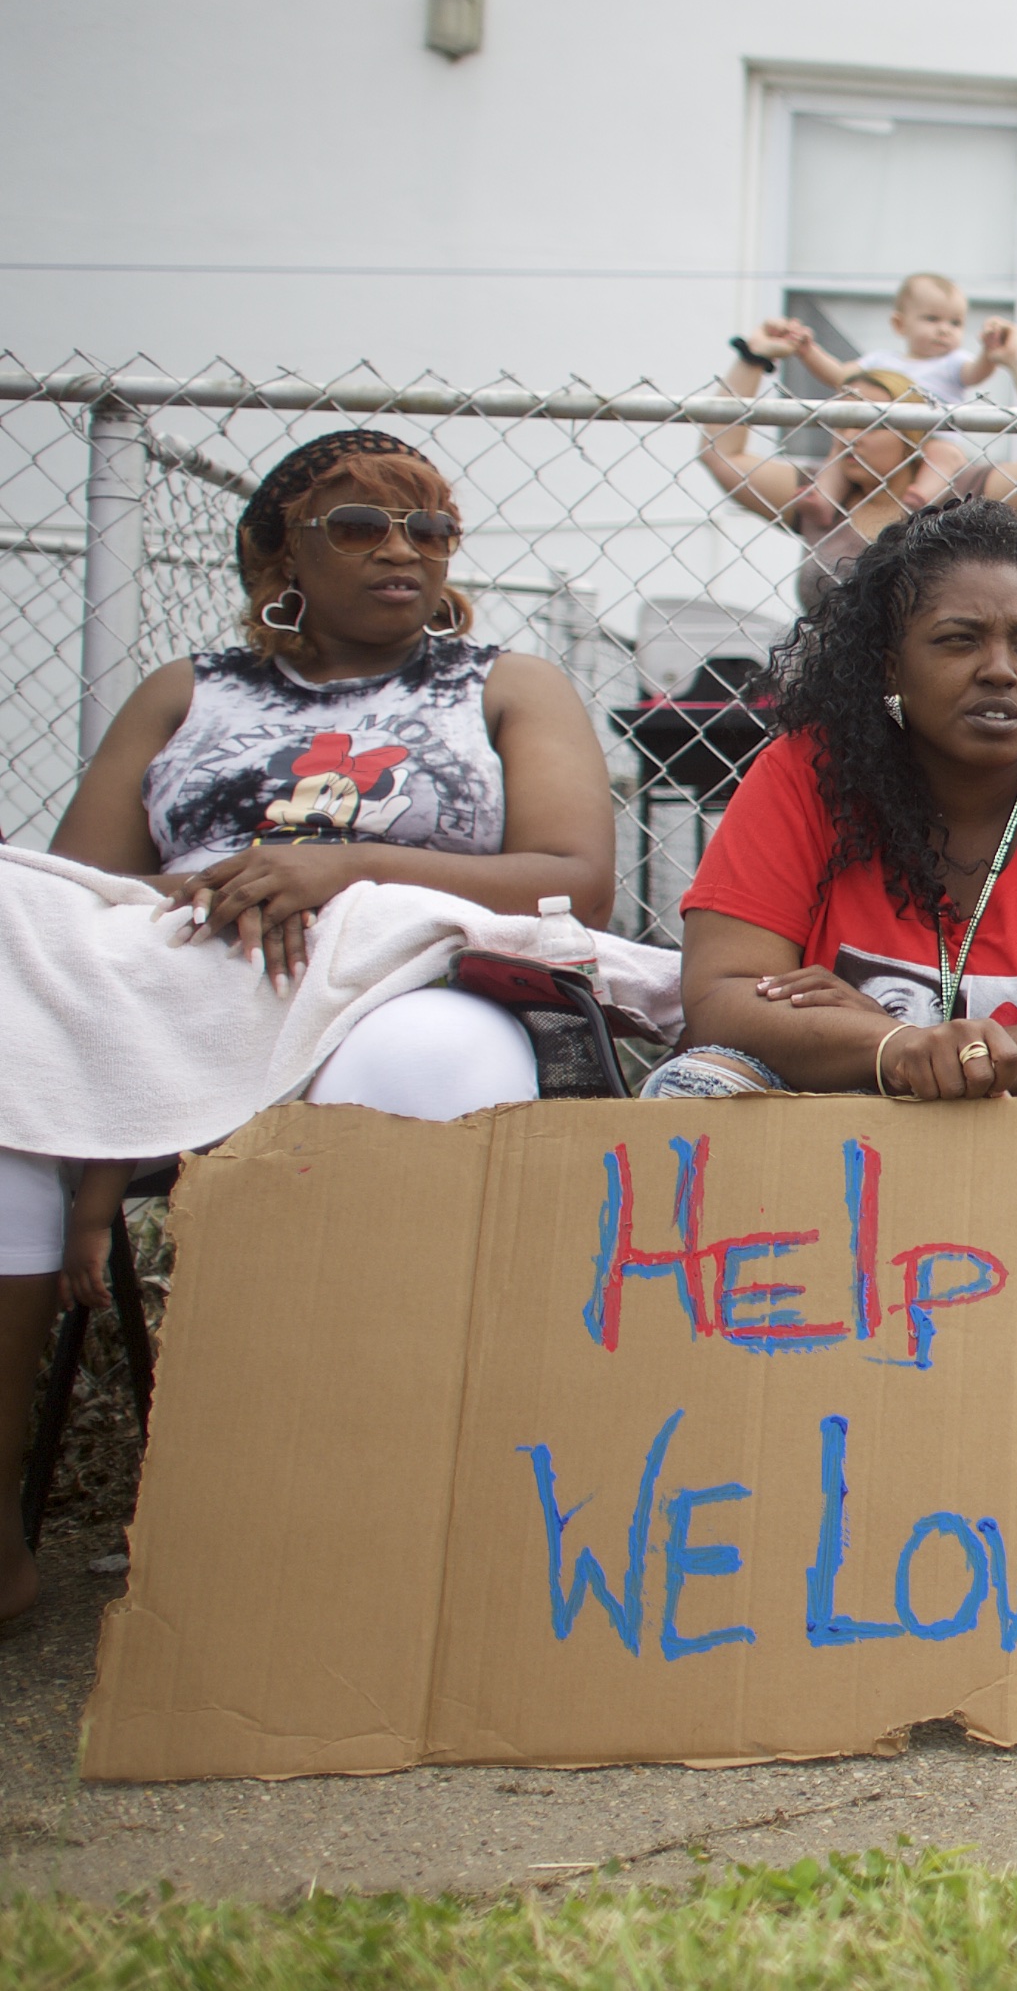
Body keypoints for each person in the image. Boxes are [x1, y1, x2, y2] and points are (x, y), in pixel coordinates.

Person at [1, 429, 617, 1627]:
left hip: (405, 977)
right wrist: (228, 890)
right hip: (178, 990)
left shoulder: (503, 682)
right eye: (361, 525)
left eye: (429, 528)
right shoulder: (186, 692)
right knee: (6, 1084)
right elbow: (79, 903)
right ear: (279, 552)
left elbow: (572, 878)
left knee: (426, 1063)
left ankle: (380, 1510)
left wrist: (336, 868)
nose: (403, 549)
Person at [645, 497, 1017, 1105]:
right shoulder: (807, 773)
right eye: (960, 640)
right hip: (844, 1119)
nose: (1002, 670)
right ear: (890, 668)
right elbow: (723, 993)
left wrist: (950, 1054)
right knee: (699, 1084)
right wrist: (895, 1049)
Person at [707, 322, 1017, 614]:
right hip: (823, 683)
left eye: (868, 423)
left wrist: (1016, 361)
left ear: (912, 434)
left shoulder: (962, 495)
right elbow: (720, 454)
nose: (849, 436)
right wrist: (753, 357)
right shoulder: (820, 496)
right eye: (842, 421)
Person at [781, 271, 994, 406]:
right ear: (900, 325)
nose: (945, 330)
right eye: (932, 319)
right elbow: (841, 376)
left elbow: (976, 373)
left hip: (935, 440)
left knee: (945, 454)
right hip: (888, 446)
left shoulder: (954, 362)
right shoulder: (881, 361)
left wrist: (989, 352)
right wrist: (809, 352)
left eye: (955, 323)